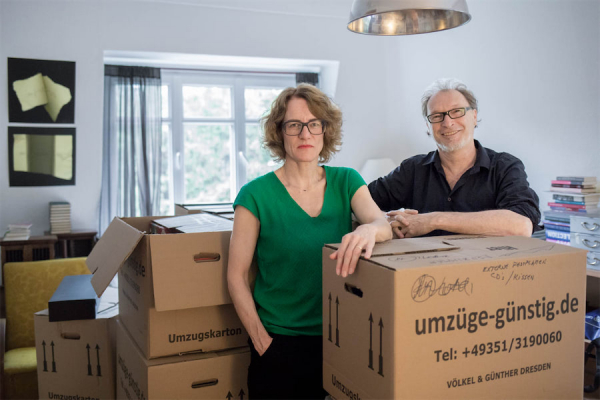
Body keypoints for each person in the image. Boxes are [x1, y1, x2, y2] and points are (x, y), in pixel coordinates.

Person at [227, 84, 392, 400]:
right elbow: (236, 276)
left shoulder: (347, 181)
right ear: (280, 132)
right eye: (294, 125)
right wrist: (262, 342)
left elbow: (382, 224)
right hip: (279, 343)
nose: (305, 134)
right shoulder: (255, 195)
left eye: (314, 124)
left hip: (342, 338)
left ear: (325, 130)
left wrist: (367, 231)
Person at [368, 78, 541, 238]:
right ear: (428, 126)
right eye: (437, 116)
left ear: (474, 116)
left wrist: (433, 220)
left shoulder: (505, 167)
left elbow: (521, 226)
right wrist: (385, 220)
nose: (447, 122)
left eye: (457, 112)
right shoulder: (412, 170)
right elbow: (358, 202)